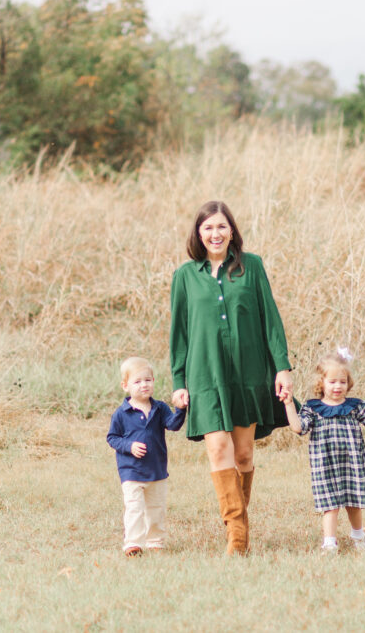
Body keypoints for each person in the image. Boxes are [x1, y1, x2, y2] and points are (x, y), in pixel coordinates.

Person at [169, 201, 294, 555]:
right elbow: (178, 333)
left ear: (232, 231)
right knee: (218, 448)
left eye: (221, 227)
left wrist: (281, 366)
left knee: (242, 455)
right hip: (204, 374)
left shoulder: (250, 267)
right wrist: (179, 381)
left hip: (248, 371)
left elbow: (270, 318)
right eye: (208, 228)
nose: (215, 234)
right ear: (198, 234)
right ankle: (237, 537)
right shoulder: (185, 276)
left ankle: (237, 525)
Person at [284, 352, 365, 554]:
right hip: (325, 466)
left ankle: (359, 537)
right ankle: (330, 543)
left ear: (348, 383)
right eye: (332, 381)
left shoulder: (354, 406)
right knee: (330, 506)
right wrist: (289, 403)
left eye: (342, 381)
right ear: (321, 382)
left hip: (352, 464)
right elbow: (299, 428)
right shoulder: (312, 408)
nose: (337, 386)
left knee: (354, 503)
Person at [106, 356, 186, 557]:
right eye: (137, 381)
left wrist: (181, 409)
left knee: (156, 509)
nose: (144, 385)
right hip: (131, 471)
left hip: (157, 469)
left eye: (148, 380)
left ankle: (155, 541)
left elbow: (173, 425)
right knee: (134, 508)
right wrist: (129, 446)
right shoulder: (122, 413)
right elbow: (112, 437)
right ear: (125, 386)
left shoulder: (160, 408)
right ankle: (133, 543)